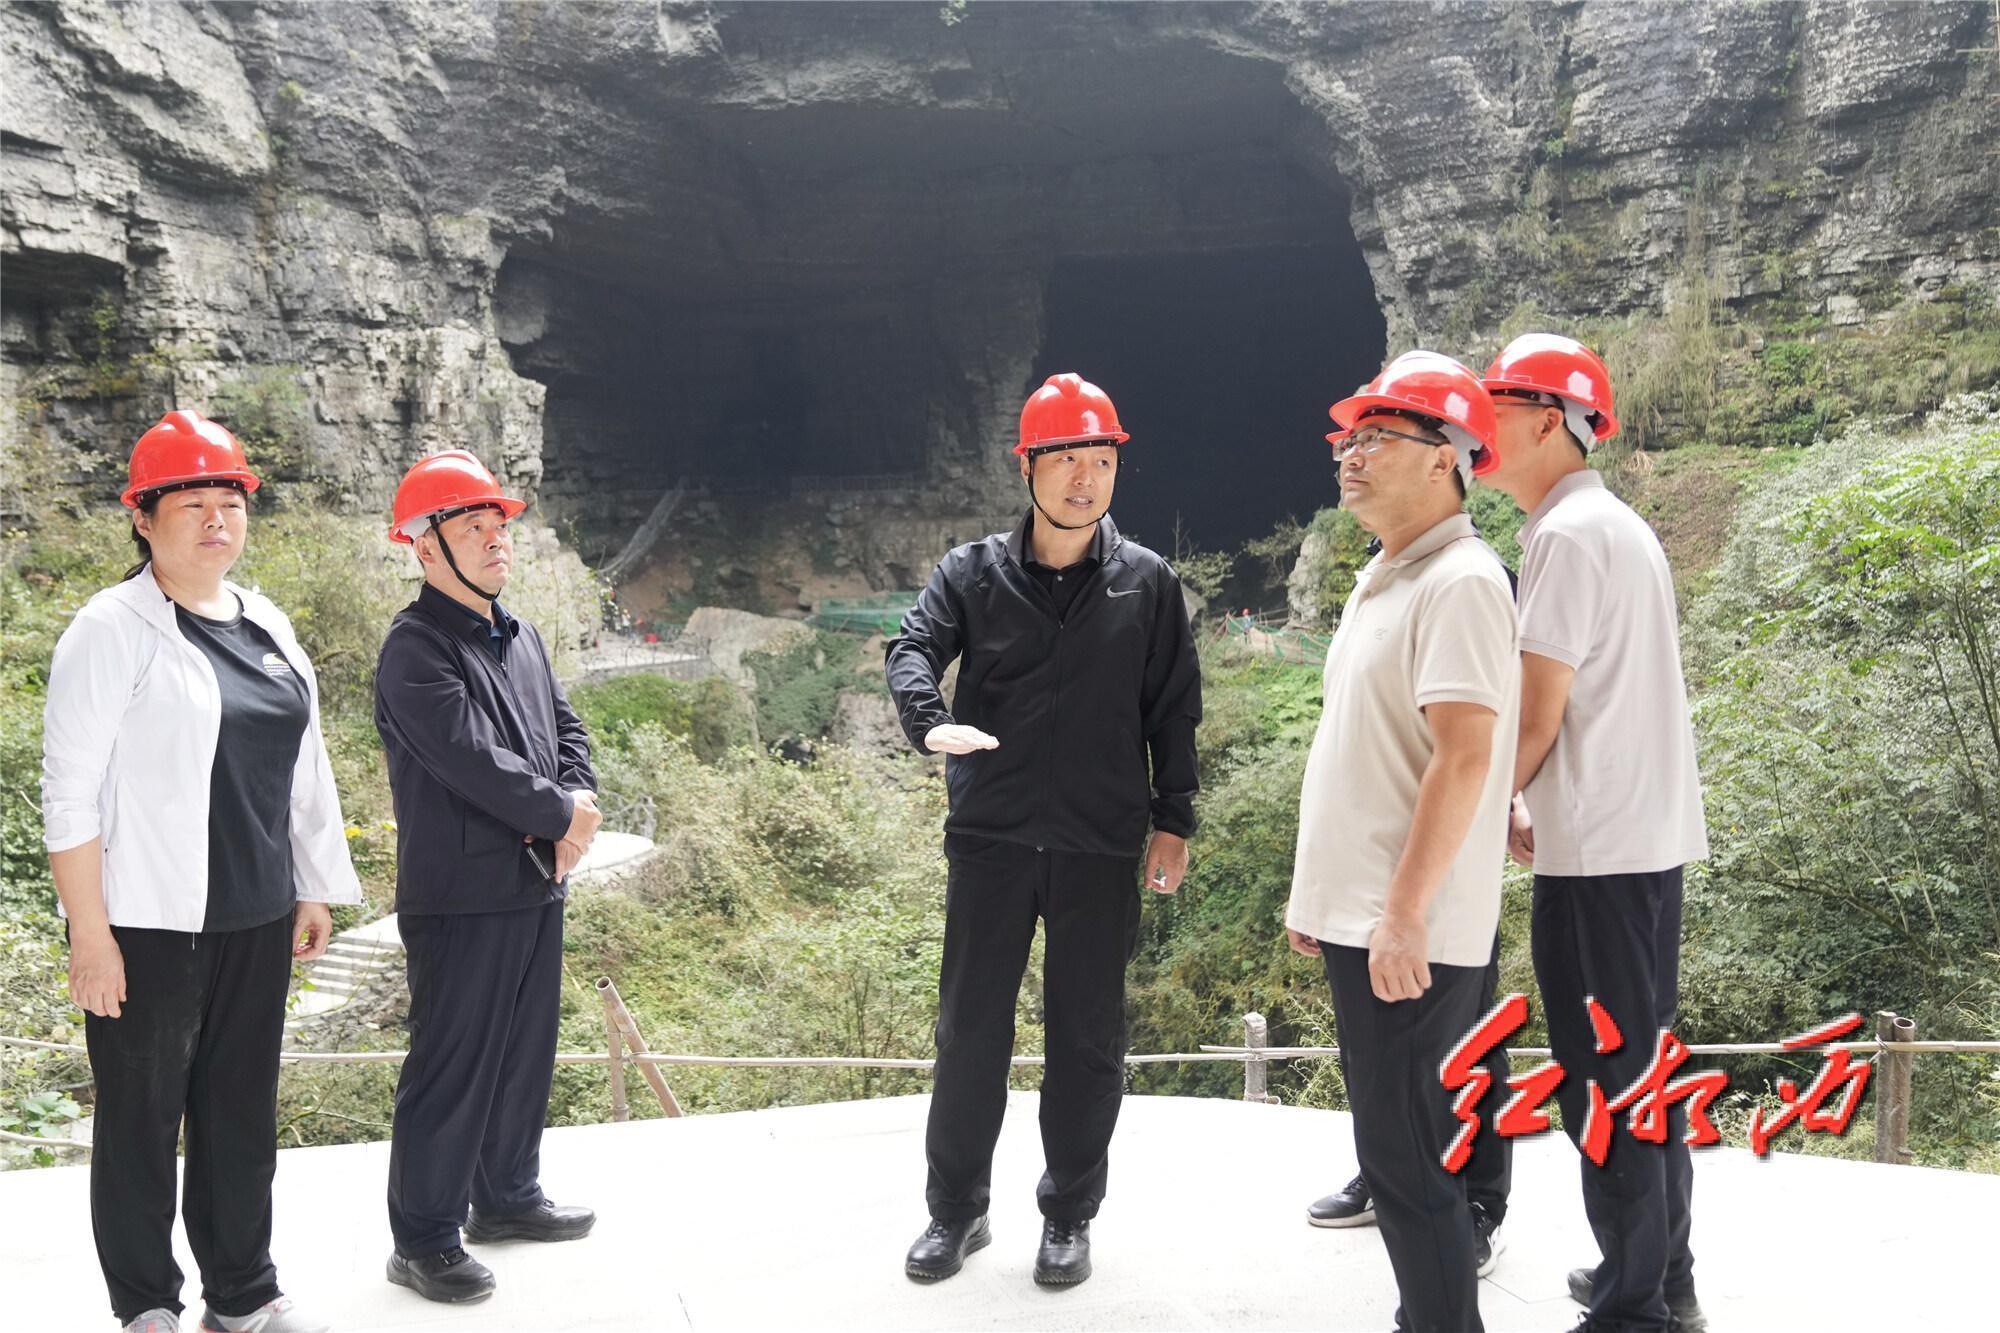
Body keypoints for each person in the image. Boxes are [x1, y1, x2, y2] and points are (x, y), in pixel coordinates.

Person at [42, 411, 360, 1333]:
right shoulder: (110, 629)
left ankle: (243, 1290)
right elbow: (69, 792)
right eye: (191, 502)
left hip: (256, 914)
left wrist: (310, 883)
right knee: (141, 1120)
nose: (217, 518)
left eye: (231, 500)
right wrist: (90, 934)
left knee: (239, 1114)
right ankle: (147, 1302)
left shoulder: (267, 621)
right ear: (143, 517)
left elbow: (302, 765)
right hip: (148, 923)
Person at [886, 372, 1202, 1288]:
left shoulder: (1147, 582)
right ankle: (957, 1210)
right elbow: (912, 647)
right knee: (968, 1032)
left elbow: (1174, 710)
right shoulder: (971, 573)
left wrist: (1174, 820)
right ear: (1026, 465)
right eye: (1065, 458)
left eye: (1100, 459)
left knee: (1086, 1038)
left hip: (1100, 843)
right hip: (991, 838)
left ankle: (1068, 1214)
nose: (1083, 478)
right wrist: (927, 720)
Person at [1479, 333, 1709, 1333]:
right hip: (1637, 841)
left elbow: (1537, 713)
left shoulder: (1565, 537)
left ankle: (1632, 1308)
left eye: (1494, 409)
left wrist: (1484, 807)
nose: (1477, 429)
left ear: (1546, 421)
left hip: (1598, 855)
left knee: (1603, 1079)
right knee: (1640, 1065)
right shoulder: (1613, 524)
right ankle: (1660, 1274)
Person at [1284, 352, 1518, 1333]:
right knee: (1397, 1147)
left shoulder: (1461, 582)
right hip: (1363, 909)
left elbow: (1463, 759)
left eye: (1379, 436)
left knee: (1408, 1158)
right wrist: (1317, 896)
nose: (1352, 453)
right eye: (1349, 436)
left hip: (1406, 923)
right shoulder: (1383, 576)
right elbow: (1366, 748)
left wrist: (1402, 914)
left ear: (1445, 457)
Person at [373, 450, 602, 1304]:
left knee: (522, 1051)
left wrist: (577, 800)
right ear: (425, 545)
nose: (496, 537)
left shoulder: (522, 634)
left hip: (536, 880)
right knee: (453, 1061)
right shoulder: (415, 648)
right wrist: (560, 815)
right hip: (461, 895)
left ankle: (506, 1196)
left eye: (498, 523)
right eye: (472, 524)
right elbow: (470, 759)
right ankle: (423, 1238)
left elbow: (567, 730)